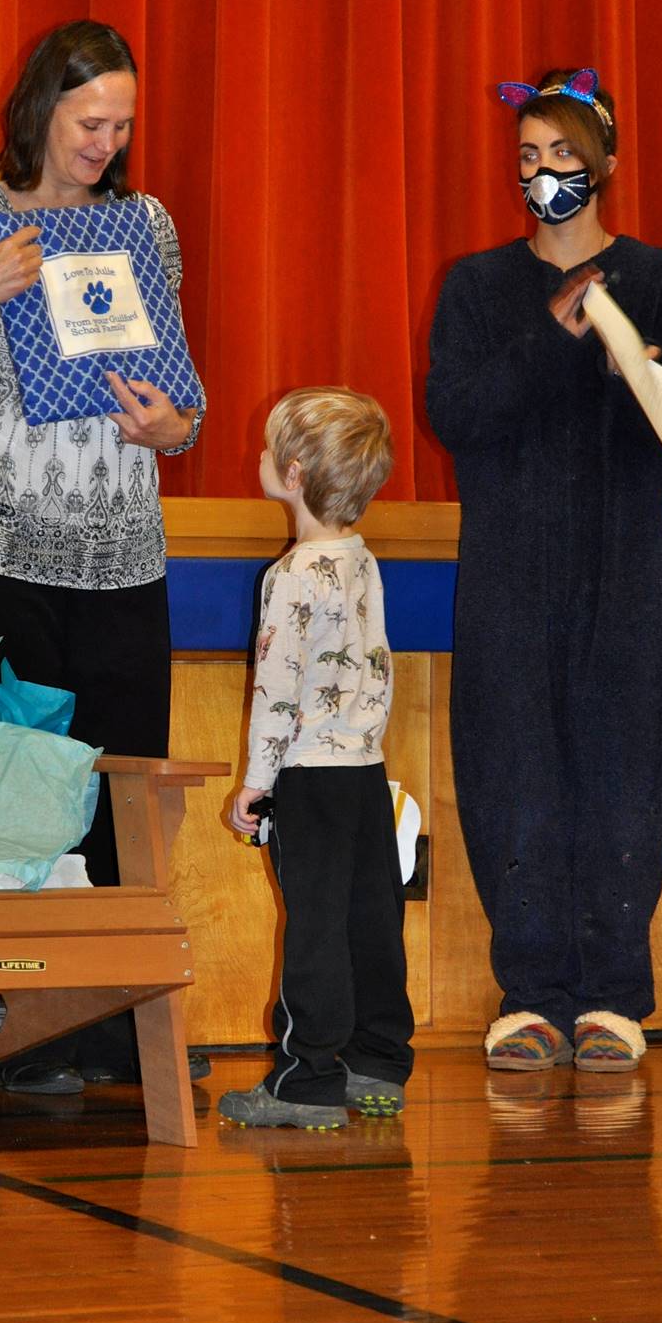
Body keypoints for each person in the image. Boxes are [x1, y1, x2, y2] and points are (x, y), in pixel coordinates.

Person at [0, 18, 205, 1094]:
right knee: (11, 795)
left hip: (120, 544)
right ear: (39, 111)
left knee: (119, 788)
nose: (104, 143)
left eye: (120, 125)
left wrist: (173, 428)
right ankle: (15, 1030)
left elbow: (185, 397)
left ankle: (111, 1030)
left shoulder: (142, 222)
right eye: (87, 122)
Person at [426, 68, 662, 1073]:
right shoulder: (479, 286)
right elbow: (458, 417)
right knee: (512, 770)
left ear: (607, 163)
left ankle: (615, 994)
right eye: (530, 157)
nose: (546, 175)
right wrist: (552, 336)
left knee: (625, 771)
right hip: (509, 571)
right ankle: (530, 992)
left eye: (565, 157)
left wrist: (637, 365)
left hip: (626, 563)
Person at [219, 388, 413, 1131]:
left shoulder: (293, 574)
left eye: (269, 451)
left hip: (306, 775)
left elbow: (276, 689)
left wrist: (256, 784)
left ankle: (307, 1081)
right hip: (363, 773)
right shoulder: (360, 560)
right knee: (371, 918)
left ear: (293, 474)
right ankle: (378, 1063)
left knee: (315, 926)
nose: (259, 460)